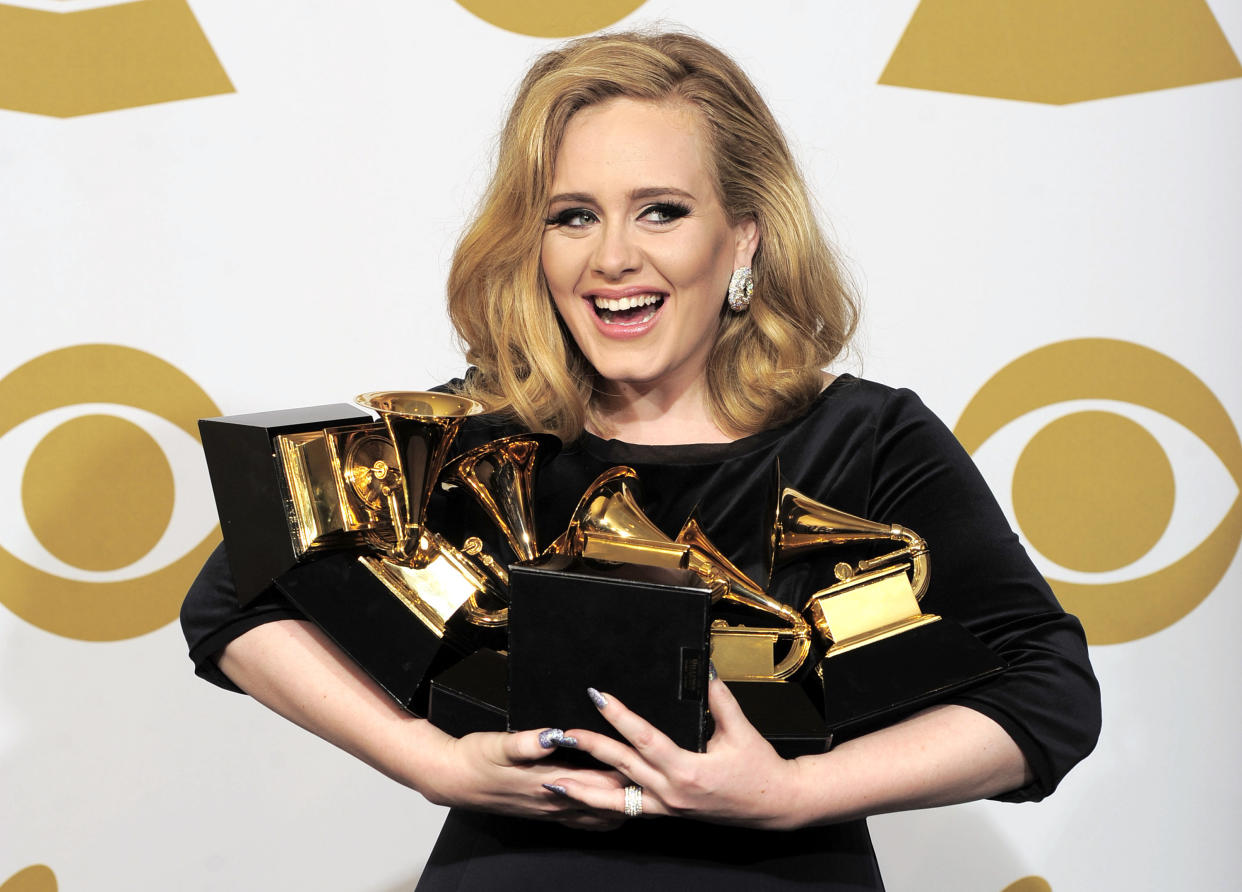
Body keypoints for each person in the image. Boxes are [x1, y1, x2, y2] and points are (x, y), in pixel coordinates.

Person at [181, 30, 1100, 890]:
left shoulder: (865, 439)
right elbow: (233, 598)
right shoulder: (471, 433)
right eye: (573, 216)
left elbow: (1049, 691)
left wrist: (793, 795)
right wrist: (433, 763)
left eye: (661, 211)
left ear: (742, 235)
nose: (613, 257)